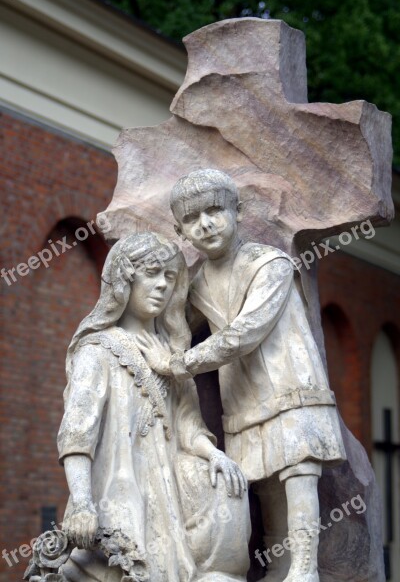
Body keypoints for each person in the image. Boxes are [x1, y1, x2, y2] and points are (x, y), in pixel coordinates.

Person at [138, 170, 347, 582]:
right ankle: (282, 567)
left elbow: (244, 333)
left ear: (238, 210)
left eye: (215, 210)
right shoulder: (196, 283)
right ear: (181, 230)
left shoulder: (269, 264)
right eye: (193, 219)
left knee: (298, 473)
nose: (206, 224)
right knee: (267, 489)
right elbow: (171, 325)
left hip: (291, 388)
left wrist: (178, 364)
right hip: (245, 402)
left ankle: (305, 570)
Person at [57, 232, 250, 582]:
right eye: (151, 272)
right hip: (118, 490)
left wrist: (213, 454)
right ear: (124, 278)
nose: (162, 285)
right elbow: (76, 433)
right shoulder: (98, 349)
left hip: (165, 490)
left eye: (169, 277)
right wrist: (83, 504)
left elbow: (187, 423)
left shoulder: (171, 354)